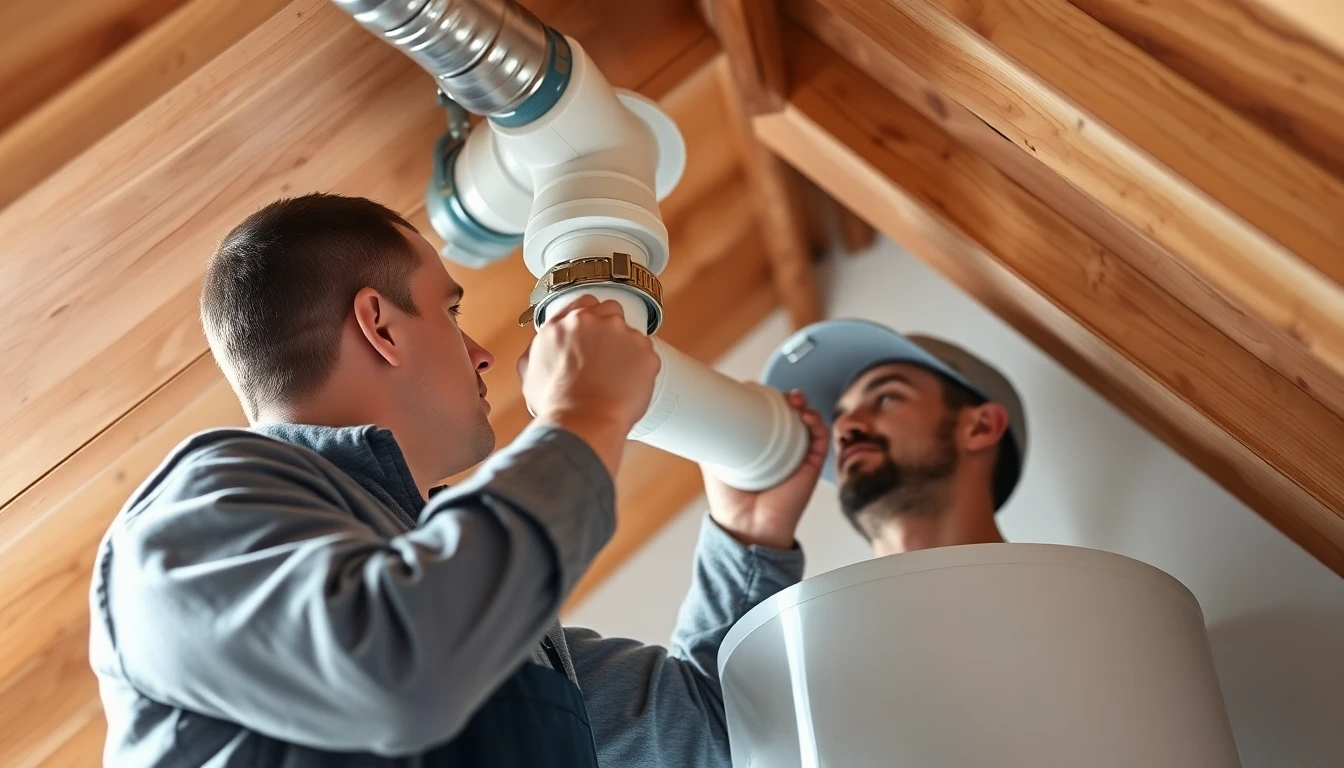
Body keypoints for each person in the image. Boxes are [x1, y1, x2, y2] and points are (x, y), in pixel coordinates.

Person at [89, 193, 829, 767]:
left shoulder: (492, 619)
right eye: (450, 310)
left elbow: (713, 734)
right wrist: (584, 413)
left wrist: (749, 537)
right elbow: (396, 667)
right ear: (378, 325)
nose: (481, 353)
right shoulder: (196, 513)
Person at [763, 319, 1028, 556]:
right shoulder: (819, 611)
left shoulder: (1060, 601)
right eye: (838, 417)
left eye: (887, 397)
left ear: (981, 427)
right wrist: (756, 532)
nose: (843, 427)